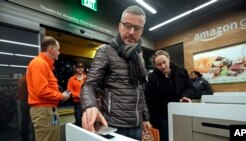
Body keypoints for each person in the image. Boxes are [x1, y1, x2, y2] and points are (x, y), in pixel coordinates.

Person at [80, 5, 151, 140]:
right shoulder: (105, 51)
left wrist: (145, 118)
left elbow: (140, 92)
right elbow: (89, 85)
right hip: (113, 126)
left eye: (137, 28)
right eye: (127, 25)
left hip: (137, 126)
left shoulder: (139, 58)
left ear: (142, 31)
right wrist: (90, 105)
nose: (131, 32)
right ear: (119, 26)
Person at [26, 36, 70, 141]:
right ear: (51, 49)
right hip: (44, 111)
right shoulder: (39, 63)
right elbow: (41, 91)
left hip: (48, 110)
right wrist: (61, 96)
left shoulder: (45, 64)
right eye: (58, 49)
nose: (59, 52)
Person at [144, 50, 195, 141]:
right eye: (159, 65)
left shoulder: (181, 71)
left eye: (164, 62)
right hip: (162, 116)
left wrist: (185, 95)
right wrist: (147, 118)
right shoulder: (152, 77)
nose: (163, 66)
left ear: (169, 59)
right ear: (155, 65)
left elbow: (190, 88)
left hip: (180, 112)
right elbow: (148, 97)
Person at [67, 62, 87, 127]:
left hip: (87, 102)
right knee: (79, 120)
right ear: (76, 69)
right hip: (77, 103)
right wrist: (77, 95)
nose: (80, 69)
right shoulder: (71, 79)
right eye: (79, 68)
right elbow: (69, 90)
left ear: (83, 69)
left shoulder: (87, 78)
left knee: (87, 120)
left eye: (82, 68)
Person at [17, 74, 35, 141]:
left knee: (24, 121)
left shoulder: (22, 79)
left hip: (22, 102)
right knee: (34, 121)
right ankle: (34, 138)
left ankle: (24, 138)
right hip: (27, 102)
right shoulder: (28, 79)